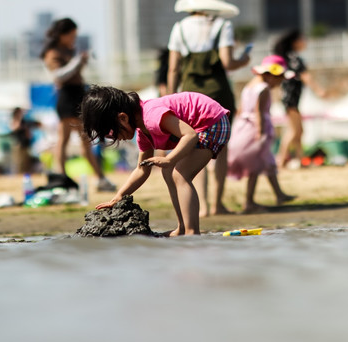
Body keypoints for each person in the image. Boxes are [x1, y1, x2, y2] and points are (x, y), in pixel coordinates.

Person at [80, 86, 231, 236]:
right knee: (169, 171)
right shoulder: (143, 133)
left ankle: (192, 232)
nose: (114, 138)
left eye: (111, 133)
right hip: (199, 127)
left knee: (180, 174)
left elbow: (190, 135)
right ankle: (183, 228)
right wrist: (118, 197)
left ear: (123, 118)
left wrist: (170, 159)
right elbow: (141, 169)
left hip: (212, 121)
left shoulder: (151, 116)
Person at [167, 0, 250, 217]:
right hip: (218, 93)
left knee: (194, 147)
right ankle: (217, 204)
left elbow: (173, 68)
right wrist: (243, 60)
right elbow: (227, 62)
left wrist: (169, 98)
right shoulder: (222, 25)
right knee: (221, 149)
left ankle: (202, 206)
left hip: (190, 96)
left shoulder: (179, 27)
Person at [40, 18, 116, 191]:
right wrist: (77, 62)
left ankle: (94, 177)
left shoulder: (68, 49)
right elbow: (58, 76)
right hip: (67, 97)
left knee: (78, 139)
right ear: (63, 34)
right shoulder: (53, 52)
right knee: (67, 139)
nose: (74, 38)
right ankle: (65, 176)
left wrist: (81, 62)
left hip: (77, 95)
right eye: (72, 35)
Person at [228, 55, 296, 213]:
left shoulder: (249, 86)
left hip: (243, 126)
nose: (279, 83)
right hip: (255, 130)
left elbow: (242, 108)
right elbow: (258, 112)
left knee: (267, 161)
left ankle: (279, 194)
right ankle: (249, 202)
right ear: (270, 75)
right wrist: (261, 133)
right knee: (256, 166)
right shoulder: (263, 89)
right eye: (279, 79)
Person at [273, 29, 326, 168]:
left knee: (299, 130)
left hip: (290, 99)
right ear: (295, 42)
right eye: (303, 39)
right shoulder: (294, 58)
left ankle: (300, 158)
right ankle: (281, 159)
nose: (305, 41)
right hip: (291, 99)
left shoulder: (288, 57)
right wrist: (318, 90)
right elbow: (305, 75)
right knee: (293, 131)